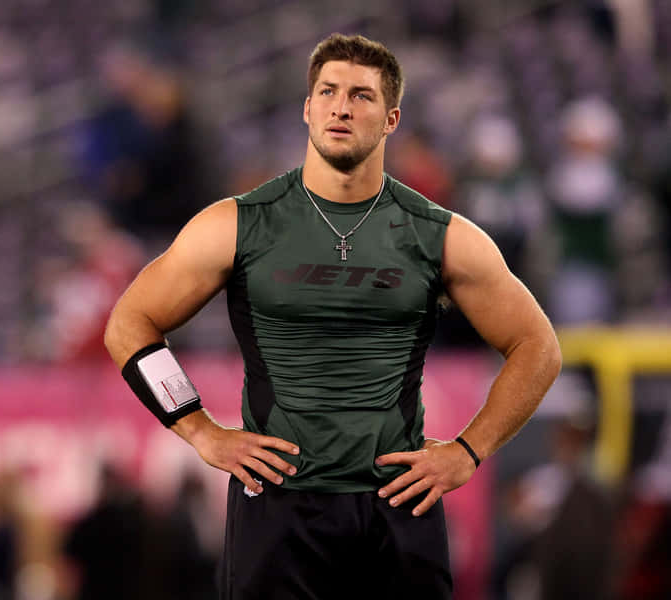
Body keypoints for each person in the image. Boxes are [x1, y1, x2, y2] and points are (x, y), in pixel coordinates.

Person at [104, 33, 562, 599]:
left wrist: (468, 451)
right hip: (278, 511)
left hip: (397, 507)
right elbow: (129, 325)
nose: (341, 107)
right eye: (328, 91)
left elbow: (538, 347)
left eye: (361, 96)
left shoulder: (440, 235)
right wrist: (200, 431)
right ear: (307, 108)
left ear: (392, 118)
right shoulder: (238, 224)